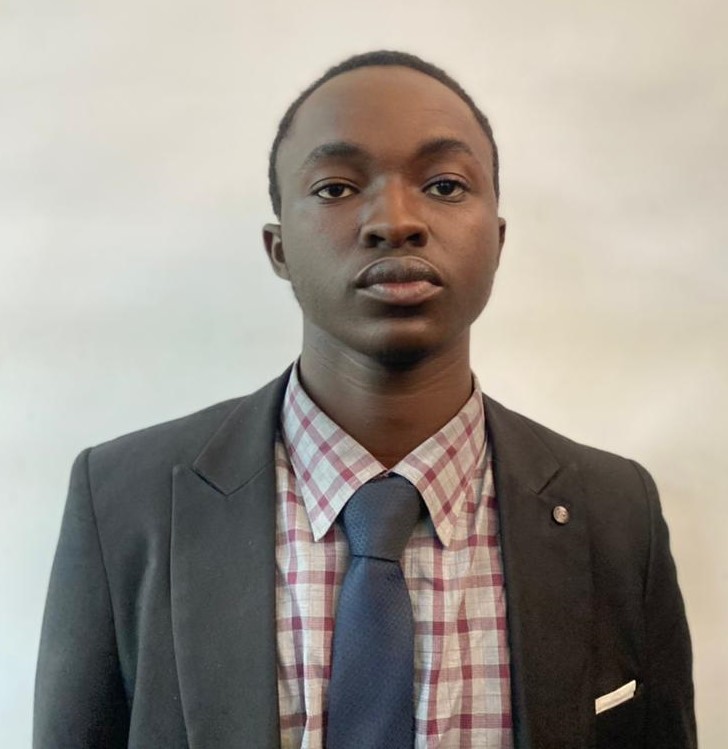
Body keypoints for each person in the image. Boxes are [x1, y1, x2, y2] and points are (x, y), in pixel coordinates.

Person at [34, 50, 696, 749]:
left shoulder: (616, 511)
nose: (395, 221)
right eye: (336, 188)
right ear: (278, 248)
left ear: (498, 241)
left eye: (444, 185)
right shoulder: (125, 501)